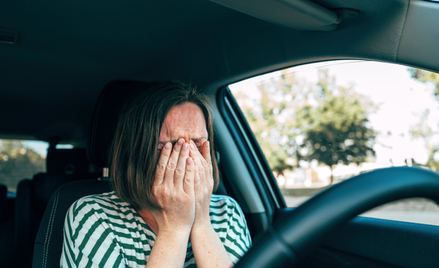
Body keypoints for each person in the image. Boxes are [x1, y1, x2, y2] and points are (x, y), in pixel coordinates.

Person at [60, 81, 252, 267]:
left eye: (197, 145)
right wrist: (174, 229)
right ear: (135, 152)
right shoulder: (93, 215)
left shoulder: (227, 213)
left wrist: (201, 223)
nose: (188, 159)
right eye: (168, 148)